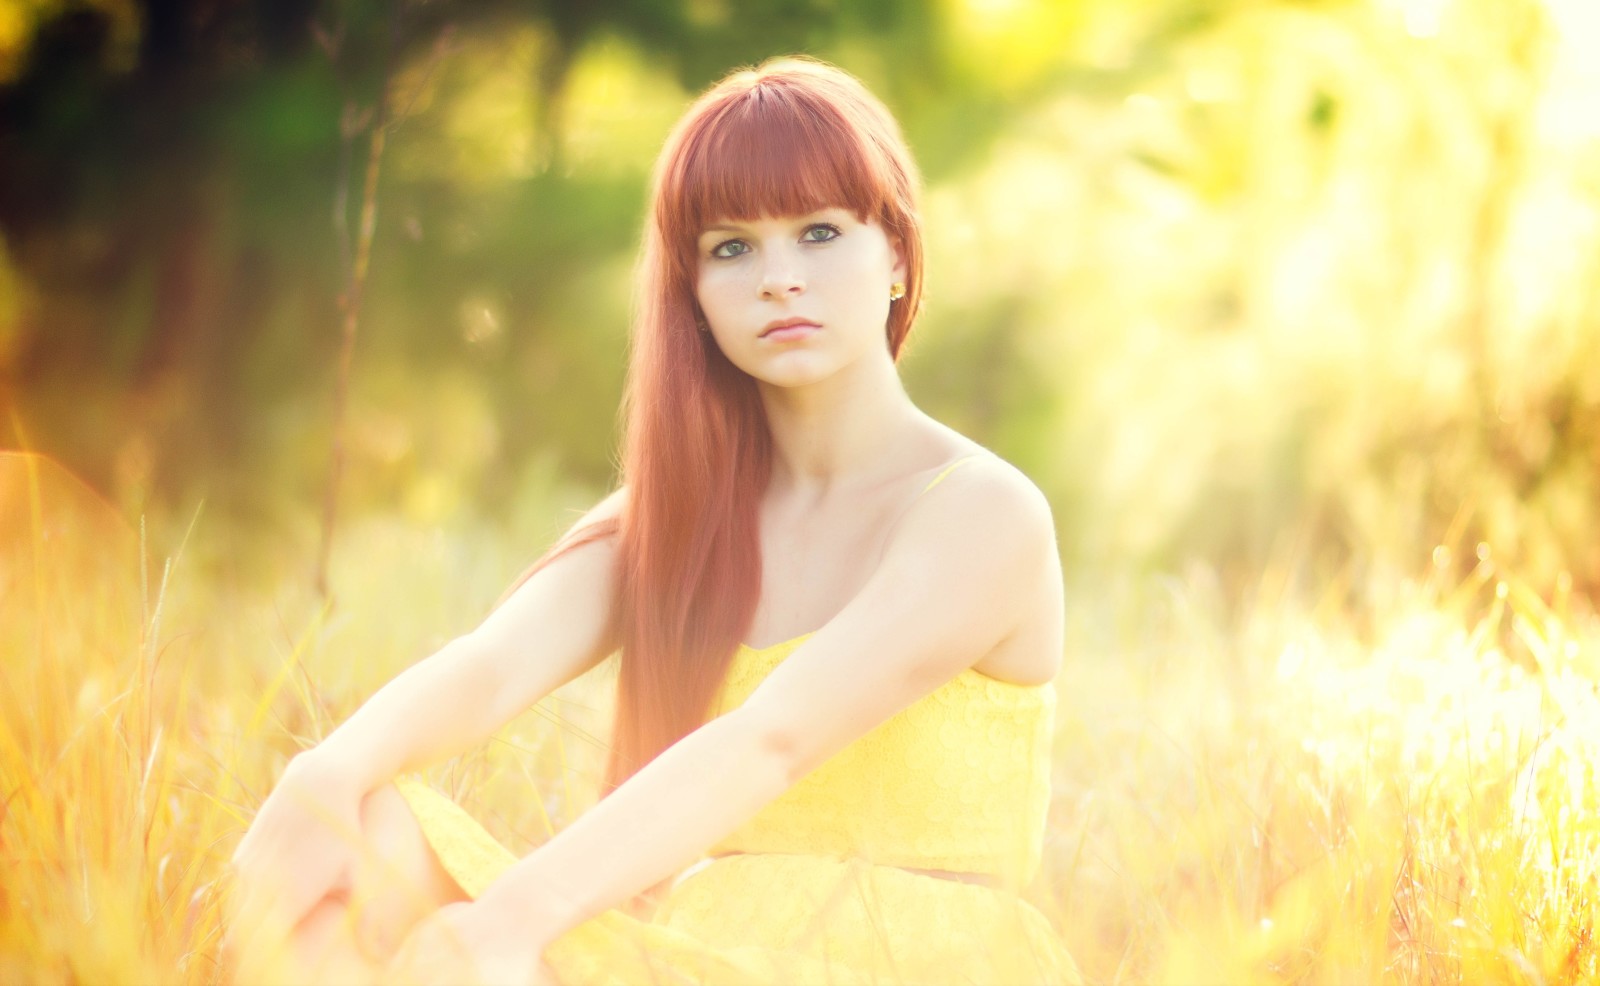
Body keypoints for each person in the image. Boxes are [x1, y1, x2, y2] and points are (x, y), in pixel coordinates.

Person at [226, 55, 1083, 986]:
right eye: (732, 247)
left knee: (474, 949)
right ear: (695, 296)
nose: (779, 279)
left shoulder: (980, 513)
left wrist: (505, 926)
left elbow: (772, 738)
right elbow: (488, 668)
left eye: (822, 232)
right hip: (696, 949)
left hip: (912, 962)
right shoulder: (674, 517)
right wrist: (323, 774)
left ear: (898, 260)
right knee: (362, 830)